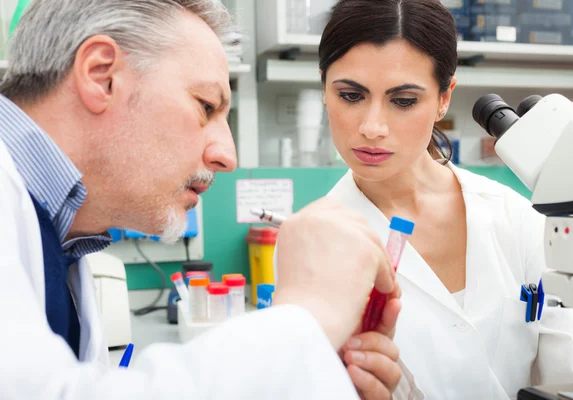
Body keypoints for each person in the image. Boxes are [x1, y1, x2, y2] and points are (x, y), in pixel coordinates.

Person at [0, 1, 401, 399]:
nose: (227, 155)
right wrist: (307, 318)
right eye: (205, 106)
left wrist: (306, 375)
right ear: (101, 76)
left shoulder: (62, 237)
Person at [316, 0, 573, 398]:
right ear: (324, 88)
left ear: (444, 97)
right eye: (351, 95)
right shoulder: (315, 246)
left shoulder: (517, 219)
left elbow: (571, 377)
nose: (372, 127)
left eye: (403, 101)